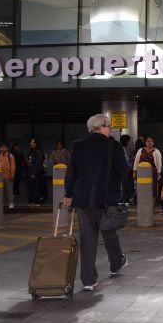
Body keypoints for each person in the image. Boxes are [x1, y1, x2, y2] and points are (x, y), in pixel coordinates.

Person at [64, 114, 129, 292]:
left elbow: (71, 174)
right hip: (106, 201)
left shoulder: (78, 146)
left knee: (87, 240)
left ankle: (88, 280)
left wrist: (69, 194)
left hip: (84, 201)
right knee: (109, 234)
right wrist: (127, 194)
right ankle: (116, 263)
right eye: (108, 126)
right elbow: (124, 171)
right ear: (99, 128)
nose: (110, 129)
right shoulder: (113, 146)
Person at [133, 136, 163, 204]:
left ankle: (152, 206)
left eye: (151, 141)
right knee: (143, 189)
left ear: (153, 143)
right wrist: (134, 171)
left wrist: (158, 173)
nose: (149, 143)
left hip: (153, 172)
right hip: (142, 173)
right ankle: (144, 204)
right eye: (148, 141)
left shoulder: (156, 151)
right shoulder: (140, 150)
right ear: (145, 143)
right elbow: (136, 161)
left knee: (153, 189)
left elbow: (159, 163)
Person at [0, 142, 16, 209]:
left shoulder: (10, 156)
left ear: (7, 148)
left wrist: (12, 175)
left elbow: (13, 166)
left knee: (9, 190)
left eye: (4, 147)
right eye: (1, 147)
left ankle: (11, 203)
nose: (2, 148)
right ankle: (0, 203)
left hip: (8, 176)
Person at [27, 138, 45, 205]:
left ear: (36, 144)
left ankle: (37, 200)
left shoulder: (38, 152)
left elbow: (38, 163)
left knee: (35, 187)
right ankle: (32, 200)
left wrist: (33, 173)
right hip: (30, 171)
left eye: (33, 142)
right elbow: (29, 160)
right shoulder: (31, 151)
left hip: (34, 173)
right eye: (31, 142)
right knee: (30, 186)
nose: (31, 143)